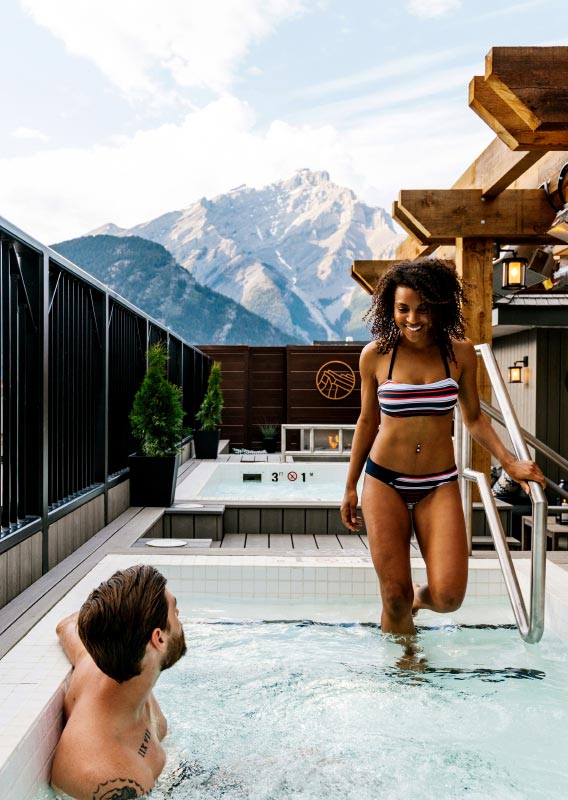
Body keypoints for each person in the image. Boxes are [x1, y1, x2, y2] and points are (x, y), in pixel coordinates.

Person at [341, 259, 545, 636]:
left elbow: (473, 419)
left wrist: (509, 462)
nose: (413, 318)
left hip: (438, 484)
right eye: (404, 309)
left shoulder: (460, 353)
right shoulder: (375, 355)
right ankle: (405, 671)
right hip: (384, 481)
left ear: (440, 306)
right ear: (391, 308)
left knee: (449, 596)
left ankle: (415, 601)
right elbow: (367, 422)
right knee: (394, 596)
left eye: (423, 308)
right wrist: (351, 485)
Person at [51, 564, 187, 800]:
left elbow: (67, 627)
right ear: (159, 639)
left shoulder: (99, 664)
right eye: (174, 612)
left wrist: (115, 610)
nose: (179, 616)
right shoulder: (107, 778)